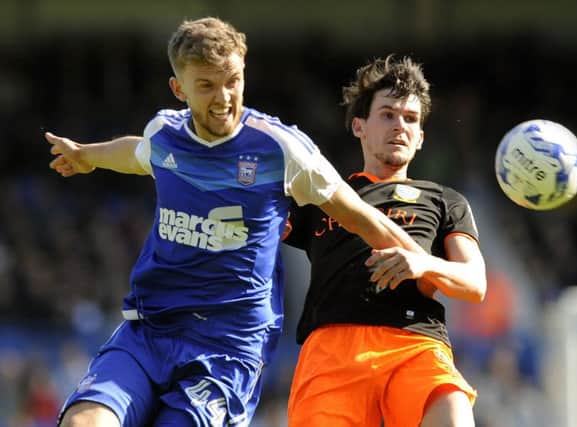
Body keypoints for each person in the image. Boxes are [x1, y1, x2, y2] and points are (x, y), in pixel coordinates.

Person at [45, 18, 423, 427]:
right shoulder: (166, 134)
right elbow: (139, 153)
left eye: (233, 81)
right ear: (179, 89)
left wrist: (428, 264)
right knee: (83, 422)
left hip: (227, 348)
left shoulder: (281, 149)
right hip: (150, 329)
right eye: (206, 85)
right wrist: (86, 155)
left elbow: (360, 216)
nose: (224, 97)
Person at [284, 55, 487, 426]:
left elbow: (475, 284)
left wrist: (423, 263)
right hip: (332, 350)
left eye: (411, 119)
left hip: (416, 341)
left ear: (421, 137)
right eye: (388, 115)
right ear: (359, 126)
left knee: (456, 418)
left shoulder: (445, 200)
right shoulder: (323, 194)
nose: (400, 126)